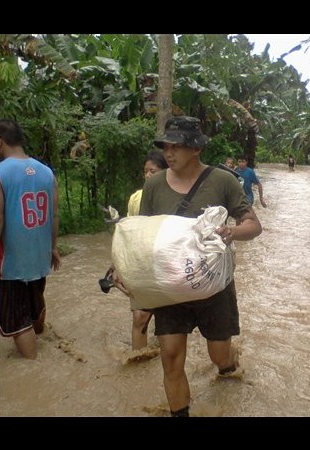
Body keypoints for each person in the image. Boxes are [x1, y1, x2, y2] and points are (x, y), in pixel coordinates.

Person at [112, 116, 262, 417]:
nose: (169, 153)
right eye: (166, 146)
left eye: (177, 146)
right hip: (168, 286)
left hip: (212, 285)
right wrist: (120, 269)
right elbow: (141, 236)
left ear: (196, 149)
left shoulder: (223, 181)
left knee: (220, 357)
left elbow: (253, 225)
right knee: (169, 354)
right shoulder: (154, 185)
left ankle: (229, 365)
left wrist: (232, 232)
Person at [0, 119, 61, 359]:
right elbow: (54, 215)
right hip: (39, 257)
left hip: (10, 265)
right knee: (35, 305)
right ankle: (42, 340)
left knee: (17, 321)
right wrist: (53, 248)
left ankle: (34, 365)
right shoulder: (46, 172)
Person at [123, 150, 168, 351]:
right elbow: (128, 232)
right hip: (142, 264)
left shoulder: (173, 199)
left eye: (154, 171)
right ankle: (138, 361)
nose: (148, 176)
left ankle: (164, 351)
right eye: (146, 172)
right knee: (140, 316)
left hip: (166, 265)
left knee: (166, 318)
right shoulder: (136, 198)